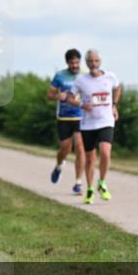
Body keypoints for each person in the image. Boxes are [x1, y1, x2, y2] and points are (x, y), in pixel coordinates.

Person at [67, 49, 121, 205]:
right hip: (88, 124)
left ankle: (102, 183)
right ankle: (90, 189)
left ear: (100, 61)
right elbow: (70, 98)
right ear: (87, 63)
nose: (93, 64)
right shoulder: (81, 81)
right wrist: (82, 104)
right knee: (90, 159)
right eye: (90, 61)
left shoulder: (110, 77)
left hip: (106, 121)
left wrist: (114, 105)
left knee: (105, 152)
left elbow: (117, 88)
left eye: (96, 61)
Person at [47, 49, 86, 195]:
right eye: (72, 63)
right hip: (64, 117)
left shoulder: (85, 74)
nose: (75, 65)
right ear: (67, 63)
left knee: (80, 148)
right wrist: (58, 95)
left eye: (77, 62)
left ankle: (78, 183)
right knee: (65, 149)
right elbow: (49, 95)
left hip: (81, 117)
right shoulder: (60, 76)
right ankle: (58, 165)